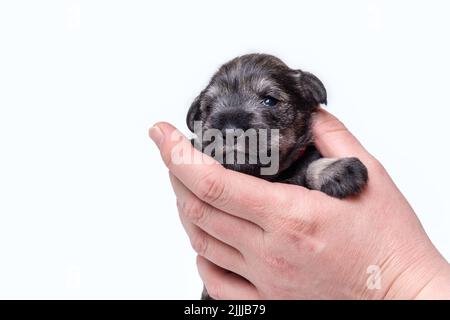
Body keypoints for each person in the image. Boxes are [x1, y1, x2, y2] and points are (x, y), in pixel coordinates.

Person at [149, 108, 450, 299]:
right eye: (212, 108)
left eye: (268, 100)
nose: (232, 126)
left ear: (306, 104)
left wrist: (391, 284)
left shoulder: (310, 161)